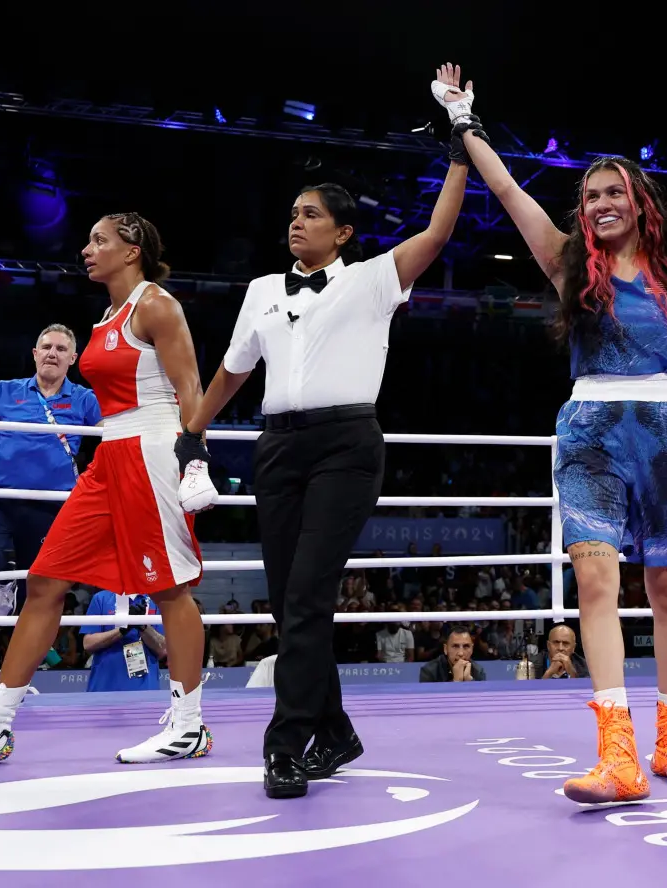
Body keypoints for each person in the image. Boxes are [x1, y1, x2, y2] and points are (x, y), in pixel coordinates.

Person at [180, 64, 470, 799]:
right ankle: (336, 731)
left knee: (306, 598)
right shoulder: (260, 292)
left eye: (311, 214)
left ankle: (287, 745)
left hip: (346, 447)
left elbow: (437, 232)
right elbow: (232, 372)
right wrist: (192, 432)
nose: (295, 221)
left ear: (342, 231)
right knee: (291, 604)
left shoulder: (371, 278)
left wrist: (460, 141)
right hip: (276, 447)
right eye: (293, 213)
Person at [456, 22, 667, 803]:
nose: (599, 203)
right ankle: (617, 752)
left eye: (611, 193)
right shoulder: (569, 263)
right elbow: (506, 191)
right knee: (595, 583)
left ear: (638, 202)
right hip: (591, 432)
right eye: (589, 196)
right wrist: (464, 122)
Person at [0, 212, 218, 762]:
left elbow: (190, 385)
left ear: (132, 250)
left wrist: (194, 460)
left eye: (99, 241)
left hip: (152, 450)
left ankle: (189, 726)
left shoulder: (156, 305)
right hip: (109, 459)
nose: (86, 249)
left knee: (169, 588)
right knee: (46, 578)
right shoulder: (106, 316)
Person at [0, 325, 102, 617]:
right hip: (0, 499)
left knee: (38, 593)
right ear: (35, 354)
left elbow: (110, 428)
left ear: (73, 358)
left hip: (50, 505)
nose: (53, 354)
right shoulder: (4, 390)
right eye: (47, 347)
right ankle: (4, 577)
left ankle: (24, 660)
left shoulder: (84, 398)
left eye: (61, 349)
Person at [81, 591, 167, 692]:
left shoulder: (155, 599)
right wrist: (122, 630)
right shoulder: (101, 598)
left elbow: (163, 650)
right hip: (104, 684)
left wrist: (143, 626)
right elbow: (88, 643)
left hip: (145, 687)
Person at [419, 626, 486, 682]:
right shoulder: (429, 672)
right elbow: (429, 697)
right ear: (445, 649)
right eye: (455, 646)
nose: (460, 653)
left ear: (472, 649)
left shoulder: (478, 671)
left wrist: (470, 684)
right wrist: (455, 683)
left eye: (466, 646)